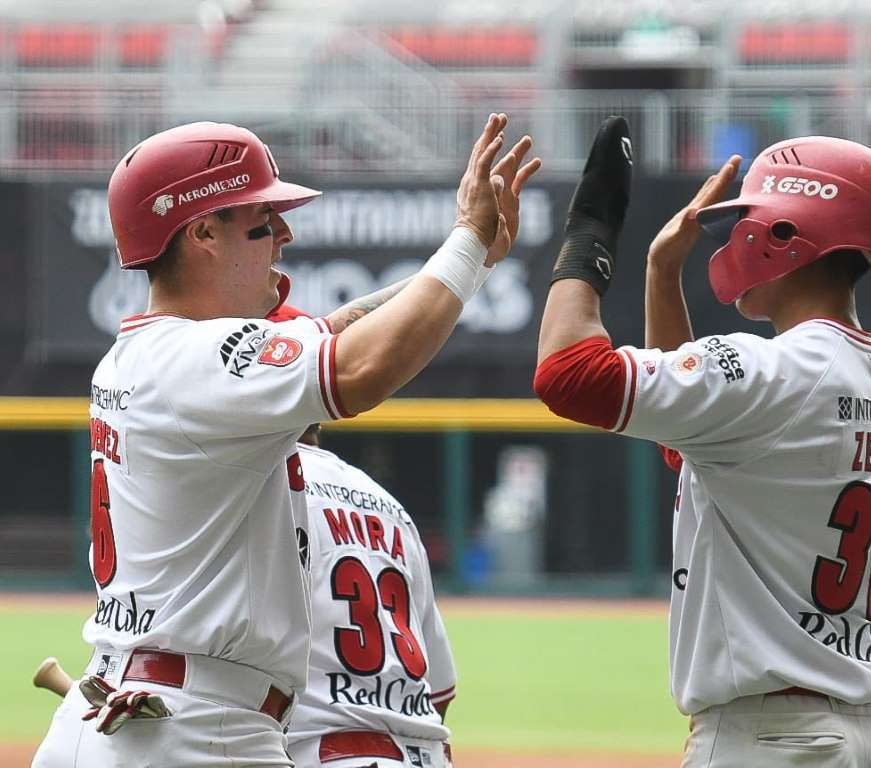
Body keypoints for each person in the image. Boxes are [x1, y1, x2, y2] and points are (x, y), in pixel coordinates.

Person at [32, 115, 539, 768]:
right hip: (198, 730)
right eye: (261, 221)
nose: (284, 235)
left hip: (132, 712)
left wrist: (472, 259)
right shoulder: (196, 358)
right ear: (202, 232)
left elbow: (333, 333)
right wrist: (467, 244)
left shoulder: (156, 355)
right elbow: (357, 368)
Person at [533, 118, 871, 767]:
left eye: (753, 222)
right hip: (859, 732)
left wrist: (589, 233)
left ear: (787, 236)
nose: (737, 237)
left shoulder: (774, 366)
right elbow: (691, 448)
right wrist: (660, 272)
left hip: (771, 739)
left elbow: (566, 377)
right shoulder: (870, 377)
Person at [283, 421, 456, 768]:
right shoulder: (388, 504)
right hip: (424, 756)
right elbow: (440, 689)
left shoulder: (255, 486)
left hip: (322, 753)